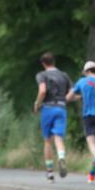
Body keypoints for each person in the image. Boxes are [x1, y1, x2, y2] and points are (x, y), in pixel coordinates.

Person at [67, 61, 95, 183]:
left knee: (92, 144)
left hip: (89, 116)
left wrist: (80, 97)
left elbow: (69, 97)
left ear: (87, 72)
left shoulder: (82, 81)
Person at [33, 53, 71, 181]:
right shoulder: (63, 75)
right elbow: (71, 92)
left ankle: (50, 172)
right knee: (58, 137)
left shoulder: (42, 75)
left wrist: (37, 104)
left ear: (43, 63)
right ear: (54, 62)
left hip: (48, 108)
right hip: (61, 108)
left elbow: (42, 91)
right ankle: (61, 157)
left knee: (48, 140)